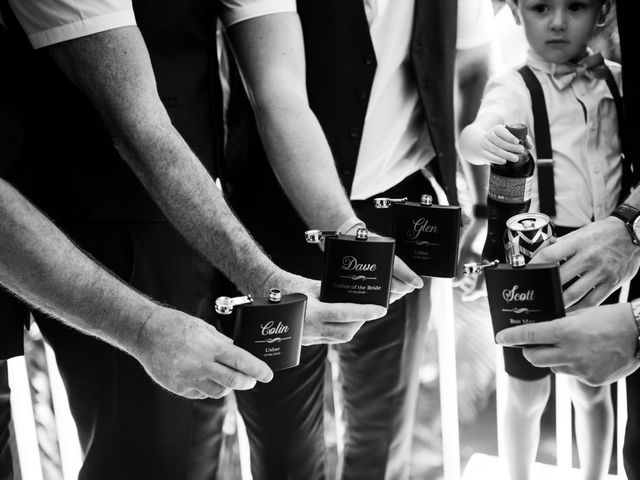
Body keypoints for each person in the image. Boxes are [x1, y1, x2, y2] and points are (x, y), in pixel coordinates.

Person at [0, 1, 388, 479]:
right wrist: (258, 281)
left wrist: (326, 246)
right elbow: (138, 127)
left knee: (195, 449)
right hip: (107, 233)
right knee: (151, 461)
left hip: (197, 215)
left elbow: (279, 92)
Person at [218, 1, 494, 477]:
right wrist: (346, 233)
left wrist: (484, 206)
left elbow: (470, 72)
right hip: (271, 231)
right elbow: (276, 95)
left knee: (383, 433)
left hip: (403, 217)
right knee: (282, 446)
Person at [459, 0, 621, 478]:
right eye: (540, 7)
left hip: (606, 255)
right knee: (525, 388)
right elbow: (478, 128)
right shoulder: (514, 85)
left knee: (593, 389)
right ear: (514, 12)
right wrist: (482, 140)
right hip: (532, 256)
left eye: (575, 7)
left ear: (603, 12)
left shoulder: (617, 80)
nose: (556, 22)